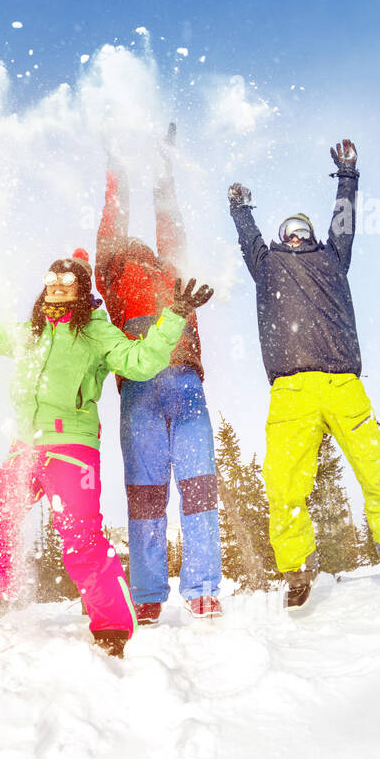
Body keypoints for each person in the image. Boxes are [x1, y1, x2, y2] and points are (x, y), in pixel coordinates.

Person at [0, 246, 213, 658]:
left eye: (67, 280)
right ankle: (5, 595)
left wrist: (173, 315)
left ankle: (111, 623)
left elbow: (140, 362)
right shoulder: (29, 331)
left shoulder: (95, 331)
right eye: (50, 279)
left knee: (81, 538)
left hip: (72, 446)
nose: (56, 285)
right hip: (25, 445)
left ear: (80, 289)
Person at [229, 139, 380, 612]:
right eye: (287, 231)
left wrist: (348, 173)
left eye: (301, 230)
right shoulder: (266, 265)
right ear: (278, 237)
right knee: (284, 484)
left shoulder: (333, 258)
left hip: (341, 384)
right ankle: (296, 570)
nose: (294, 236)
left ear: (311, 235)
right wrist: (239, 207)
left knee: (375, 472)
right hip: (290, 391)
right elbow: (248, 235)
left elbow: (343, 221)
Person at [95, 124, 222, 625]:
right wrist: (117, 166)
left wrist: (164, 167)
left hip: (187, 385)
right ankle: (148, 592)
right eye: (132, 244)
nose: (144, 247)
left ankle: (204, 586)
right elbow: (112, 219)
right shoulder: (112, 267)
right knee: (145, 490)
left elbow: (170, 220)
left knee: (199, 484)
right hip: (141, 390)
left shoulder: (172, 267)